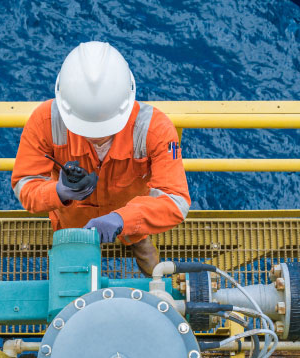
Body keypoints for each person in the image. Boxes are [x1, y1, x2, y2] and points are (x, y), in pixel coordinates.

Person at [11, 41, 190, 276]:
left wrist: (122, 219)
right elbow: (25, 184)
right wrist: (59, 191)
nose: (96, 137)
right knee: (72, 279)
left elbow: (175, 201)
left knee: (146, 253)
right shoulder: (45, 121)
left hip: (131, 222)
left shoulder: (155, 130)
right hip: (73, 223)